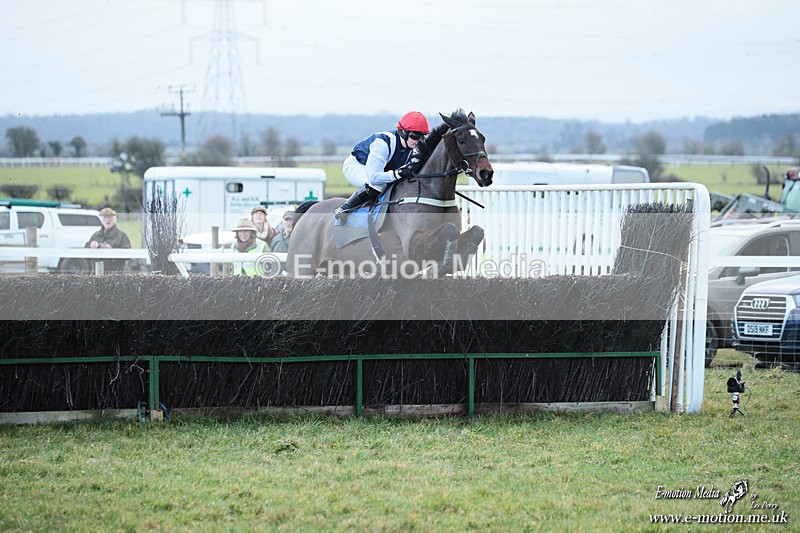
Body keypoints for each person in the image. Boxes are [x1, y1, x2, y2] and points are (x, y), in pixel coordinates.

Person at [334, 111, 430, 223]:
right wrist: (397, 173)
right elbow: (374, 177)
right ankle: (344, 210)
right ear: (402, 132)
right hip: (356, 166)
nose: (419, 141)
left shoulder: (413, 147)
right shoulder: (383, 143)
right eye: (415, 136)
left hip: (381, 170)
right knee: (378, 185)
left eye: (423, 137)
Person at [85, 207, 131, 272]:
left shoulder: (122, 236)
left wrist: (112, 251)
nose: (107, 220)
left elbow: (128, 255)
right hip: (97, 274)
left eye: (109, 217)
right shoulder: (95, 235)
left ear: (114, 219)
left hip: (116, 275)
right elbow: (85, 254)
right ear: (101, 220)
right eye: (104, 217)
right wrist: (91, 246)